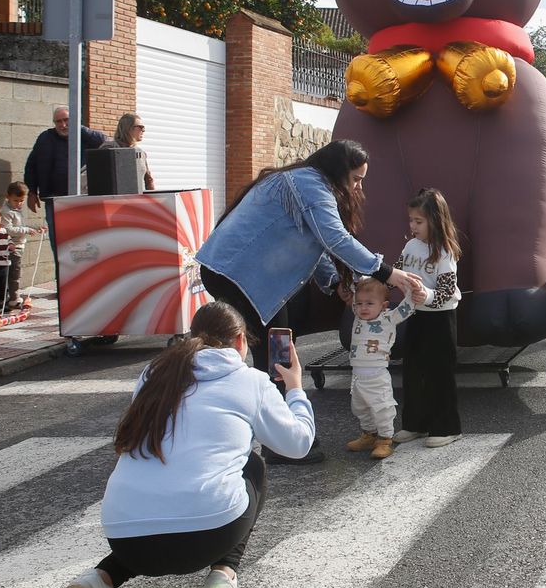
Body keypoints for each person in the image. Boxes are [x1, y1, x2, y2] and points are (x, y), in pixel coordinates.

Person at [62, 301, 314, 588]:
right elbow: (297, 445)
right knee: (252, 465)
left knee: (156, 513)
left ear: (193, 337)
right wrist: (296, 388)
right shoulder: (250, 380)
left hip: (125, 539)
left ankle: (101, 578)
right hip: (206, 537)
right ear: (241, 341)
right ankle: (223, 576)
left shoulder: (155, 373)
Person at [196, 140, 425, 465]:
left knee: (276, 348)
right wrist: (388, 273)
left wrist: (334, 283)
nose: (359, 185)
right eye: (357, 178)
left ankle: (269, 432)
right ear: (338, 170)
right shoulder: (309, 184)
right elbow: (334, 238)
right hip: (237, 274)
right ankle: (278, 441)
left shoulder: (305, 180)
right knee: (275, 352)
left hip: (236, 273)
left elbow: (314, 242)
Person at [394, 189, 464, 448]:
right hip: (415, 315)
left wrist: (425, 295)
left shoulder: (444, 252)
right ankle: (415, 423)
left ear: (435, 220)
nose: (412, 226)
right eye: (411, 220)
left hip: (441, 319)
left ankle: (447, 427)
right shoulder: (410, 246)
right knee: (413, 370)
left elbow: (446, 291)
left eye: (418, 221)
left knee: (440, 373)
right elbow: (398, 271)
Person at [344, 277, 412, 459]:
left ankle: (384, 439)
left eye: (369, 303)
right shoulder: (358, 317)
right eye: (359, 304)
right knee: (360, 407)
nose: (363, 307)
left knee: (382, 408)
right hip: (358, 376)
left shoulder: (388, 318)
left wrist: (410, 291)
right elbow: (354, 287)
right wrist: (357, 280)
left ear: (383, 305)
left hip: (377, 376)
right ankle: (369, 435)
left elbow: (406, 309)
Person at [24, 105, 108, 211]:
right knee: (56, 227)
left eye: (66, 120)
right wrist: (32, 192)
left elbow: (103, 141)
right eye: (58, 121)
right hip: (54, 198)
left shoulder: (85, 137)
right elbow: (31, 166)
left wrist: (78, 127)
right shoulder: (45, 138)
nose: (63, 125)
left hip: (81, 197)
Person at [1, 181, 45, 311]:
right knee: (14, 274)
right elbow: (8, 229)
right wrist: (26, 230)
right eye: (16, 200)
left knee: (14, 273)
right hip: (11, 247)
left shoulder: (17, 209)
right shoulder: (6, 211)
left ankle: (10, 297)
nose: (19, 204)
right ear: (7, 196)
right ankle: (13, 299)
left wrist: (36, 228)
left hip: (19, 245)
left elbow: (22, 226)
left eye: (21, 201)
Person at [114, 113, 155, 191]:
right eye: (140, 127)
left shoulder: (141, 153)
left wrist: (153, 200)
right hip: (114, 201)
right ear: (127, 128)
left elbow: (148, 180)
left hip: (137, 201)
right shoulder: (109, 148)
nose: (143, 130)